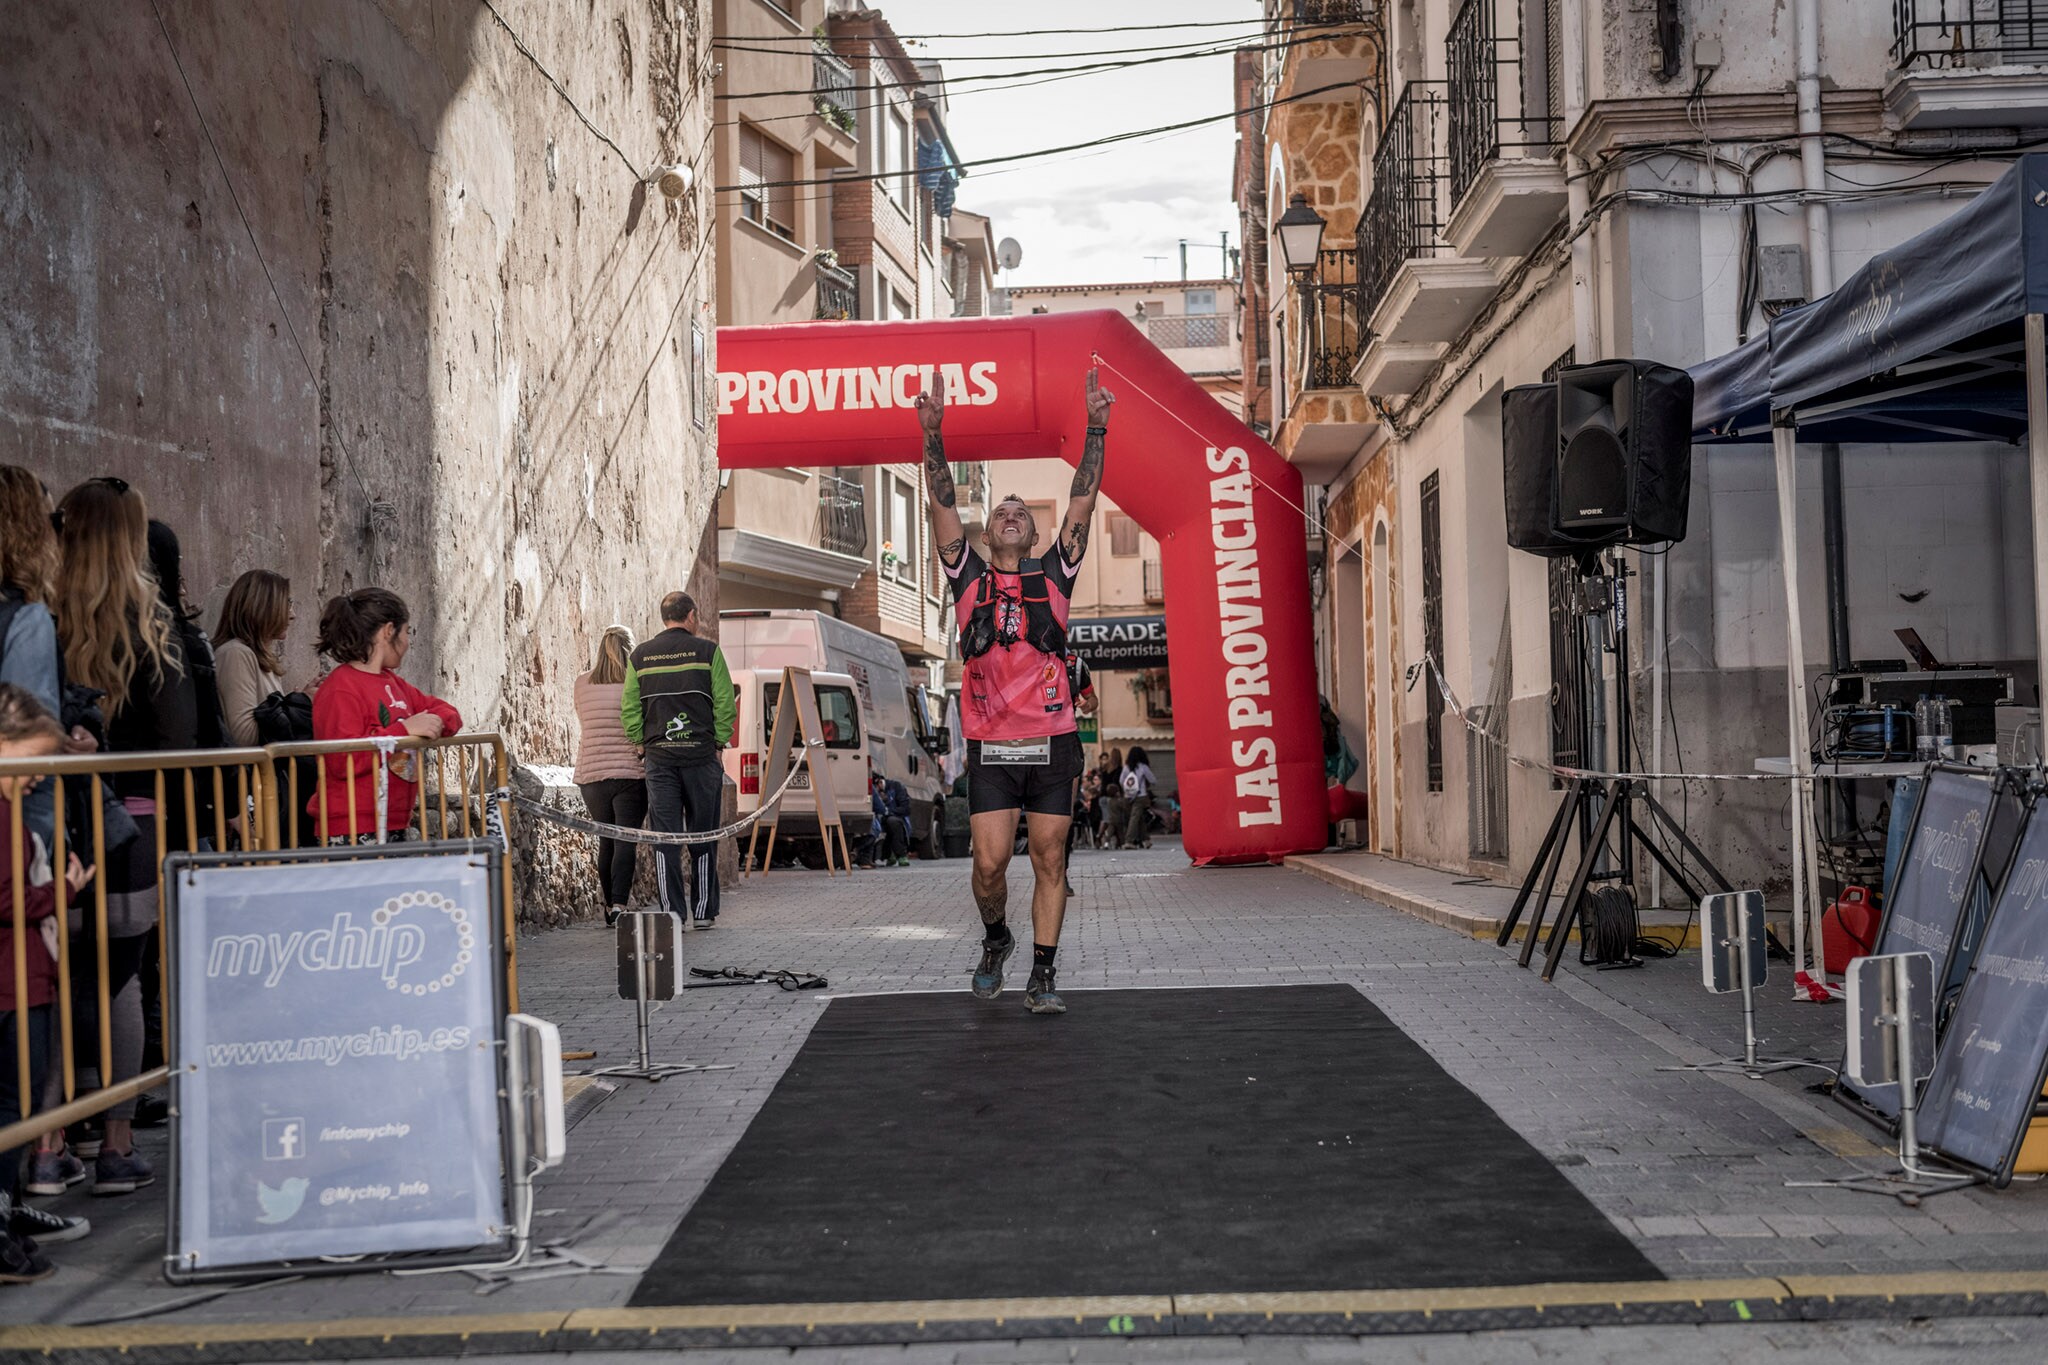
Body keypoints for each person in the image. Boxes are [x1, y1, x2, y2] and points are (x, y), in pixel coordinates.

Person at [921, 366, 1113, 1014]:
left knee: (1051, 856)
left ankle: (1044, 973)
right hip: (992, 748)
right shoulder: (967, 576)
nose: (1009, 515)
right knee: (989, 865)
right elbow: (942, 501)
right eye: (1001, 511)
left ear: (1032, 533)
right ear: (985, 534)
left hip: (1053, 741)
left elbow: (1083, 499)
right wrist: (933, 435)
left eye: (1019, 512)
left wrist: (1096, 425)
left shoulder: (1055, 575)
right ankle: (997, 937)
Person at [36, 481, 180, 1199]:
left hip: (50, 815)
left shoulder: (41, 616)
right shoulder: (149, 623)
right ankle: (117, 1143)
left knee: (56, 978)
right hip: (131, 819)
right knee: (120, 978)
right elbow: (172, 732)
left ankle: (51, 1140)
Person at [0, 685, 95, 1281]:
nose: (36, 779)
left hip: (24, 976)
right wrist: (66, 889)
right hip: (13, 982)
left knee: (18, 1104)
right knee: (13, 1105)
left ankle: (6, 1212)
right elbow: (8, 898)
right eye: (30, 764)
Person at [310, 588, 461, 844]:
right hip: (352, 825)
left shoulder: (394, 682)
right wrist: (405, 730)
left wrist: (433, 723)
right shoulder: (340, 687)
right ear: (388, 631)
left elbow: (449, 713)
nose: (408, 642)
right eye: (406, 632)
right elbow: (341, 759)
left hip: (392, 819)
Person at [622, 593, 734, 926]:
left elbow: (629, 708)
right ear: (691, 616)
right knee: (702, 835)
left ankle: (671, 913)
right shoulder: (708, 652)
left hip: (660, 760)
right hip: (701, 757)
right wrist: (718, 741)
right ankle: (702, 913)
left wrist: (641, 744)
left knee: (665, 839)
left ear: (664, 617)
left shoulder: (640, 656)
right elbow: (725, 703)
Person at [574, 625, 646, 926]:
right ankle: (619, 904)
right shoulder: (636, 683)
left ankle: (608, 905)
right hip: (629, 772)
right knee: (625, 841)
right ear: (630, 649)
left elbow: (584, 719)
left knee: (607, 840)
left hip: (592, 774)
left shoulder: (581, 683)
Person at [213, 570, 293, 748]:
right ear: (264, 606)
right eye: (287, 604)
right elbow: (245, 737)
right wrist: (301, 702)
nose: (292, 614)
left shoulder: (262, 658)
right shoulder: (235, 653)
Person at [1119, 745, 1157, 849]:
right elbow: (1153, 780)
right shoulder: (1143, 767)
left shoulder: (1126, 767)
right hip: (1141, 796)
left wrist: (1128, 791)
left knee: (1138, 818)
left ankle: (1146, 840)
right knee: (1135, 818)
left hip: (1128, 797)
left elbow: (1121, 781)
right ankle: (1129, 841)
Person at [877, 772, 911, 866]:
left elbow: (905, 808)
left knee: (893, 822)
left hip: (895, 816)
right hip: (879, 818)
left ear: (879, 783)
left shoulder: (896, 787)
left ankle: (900, 854)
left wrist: (888, 810)